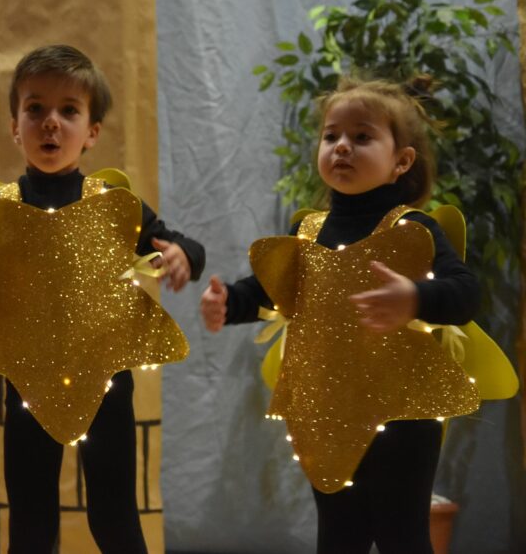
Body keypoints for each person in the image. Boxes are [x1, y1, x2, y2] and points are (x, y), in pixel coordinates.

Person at [0, 44, 205, 553]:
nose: (50, 123)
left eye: (68, 110)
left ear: (92, 133)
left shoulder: (114, 206)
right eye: (35, 109)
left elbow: (180, 242)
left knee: (115, 518)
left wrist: (182, 255)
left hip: (106, 382)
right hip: (26, 385)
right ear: (15, 127)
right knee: (33, 522)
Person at [201, 76, 480, 554]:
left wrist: (414, 298)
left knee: (401, 535)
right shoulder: (306, 232)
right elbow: (269, 291)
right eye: (332, 136)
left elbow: (465, 293)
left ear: (401, 161)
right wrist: (229, 302)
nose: (342, 147)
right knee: (339, 535)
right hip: (325, 407)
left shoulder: (414, 229)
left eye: (362, 136)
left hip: (402, 412)